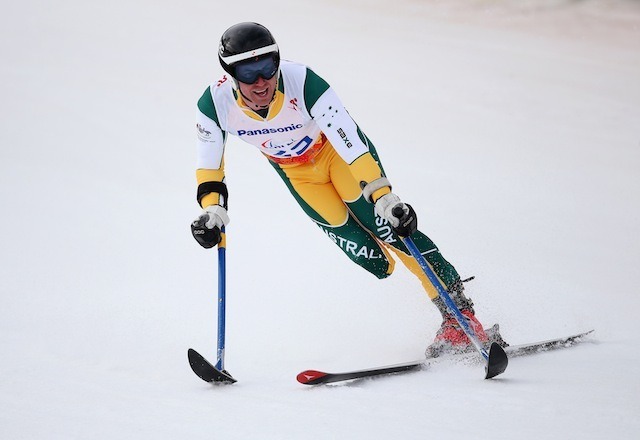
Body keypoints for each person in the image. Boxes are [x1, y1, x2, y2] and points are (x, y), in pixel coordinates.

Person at [191, 22, 501, 356]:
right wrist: (212, 211)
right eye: (248, 73)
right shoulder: (214, 104)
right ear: (231, 74)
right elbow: (210, 169)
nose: (261, 82)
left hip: (337, 156)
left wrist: (384, 198)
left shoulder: (303, 82)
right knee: (369, 256)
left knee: (394, 230)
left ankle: (461, 319)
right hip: (299, 176)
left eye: (267, 67)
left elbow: (350, 142)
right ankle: (451, 315)